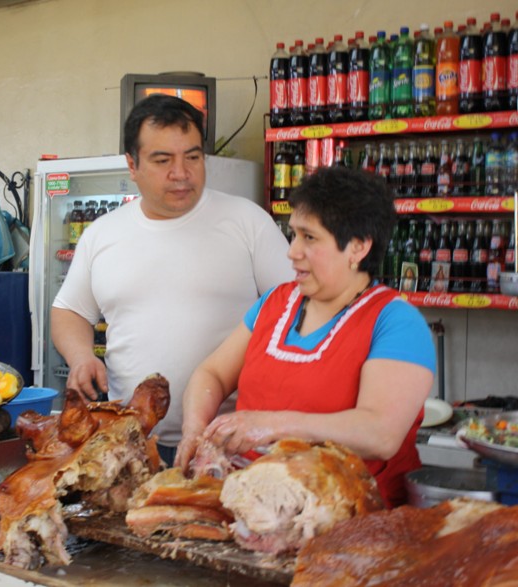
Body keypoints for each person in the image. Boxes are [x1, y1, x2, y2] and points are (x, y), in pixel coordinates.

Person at [51, 94, 294, 465]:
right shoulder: (102, 234)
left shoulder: (247, 222)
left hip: (230, 443)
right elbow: (69, 310)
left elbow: (299, 309)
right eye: (162, 160)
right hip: (130, 442)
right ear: (132, 165)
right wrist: (81, 356)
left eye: (193, 157)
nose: (181, 173)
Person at [175, 166, 436, 507]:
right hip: (252, 506)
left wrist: (274, 425)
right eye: (293, 234)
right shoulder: (275, 303)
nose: (292, 251)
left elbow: (380, 434)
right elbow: (211, 374)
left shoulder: (396, 323)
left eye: (309, 238)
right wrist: (195, 429)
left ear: (357, 247)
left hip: (350, 519)